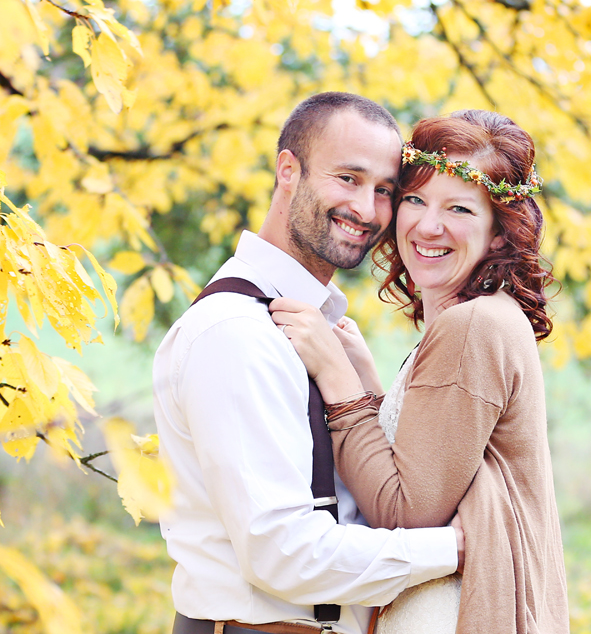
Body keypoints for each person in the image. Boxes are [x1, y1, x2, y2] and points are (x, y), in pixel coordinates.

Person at [153, 92, 463, 634]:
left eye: (384, 190)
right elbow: (284, 555)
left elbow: (353, 505)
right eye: (348, 178)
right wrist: (459, 545)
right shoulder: (237, 333)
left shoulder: (317, 333)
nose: (367, 211)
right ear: (288, 170)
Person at [270, 110, 569, 633]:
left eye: (459, 208)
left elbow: (405, 511)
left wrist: (336, 377)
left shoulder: (472, 327)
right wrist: (370, 382)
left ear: (500, 234)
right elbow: (437, 464)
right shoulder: (479, 318)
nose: (428, 226)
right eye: (415, 199)